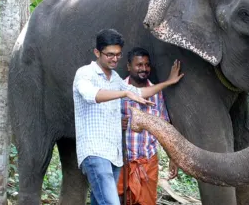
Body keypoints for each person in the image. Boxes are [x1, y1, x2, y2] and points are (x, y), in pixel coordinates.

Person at [73, 29, 184, 205]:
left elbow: (139, 92)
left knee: (99, 201)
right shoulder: (85, 73)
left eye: (117, 54)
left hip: (115, 155)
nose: (114, 58)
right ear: (97, 52)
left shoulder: (115, 78)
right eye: (109, 54)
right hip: (95, 152)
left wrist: (167, 83)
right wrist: (123, 92)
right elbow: (91, 95)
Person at [117, 47, 178, 205]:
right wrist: (117, 124)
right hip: (121, 160)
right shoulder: (117, 89)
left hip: (147, 162)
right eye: (139, 65)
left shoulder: (157, 94)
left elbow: (163, 127)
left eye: (146, 64)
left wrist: (173, 158)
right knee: (118, 200)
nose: (143, 69)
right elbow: (102, 121)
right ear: (129, 67)